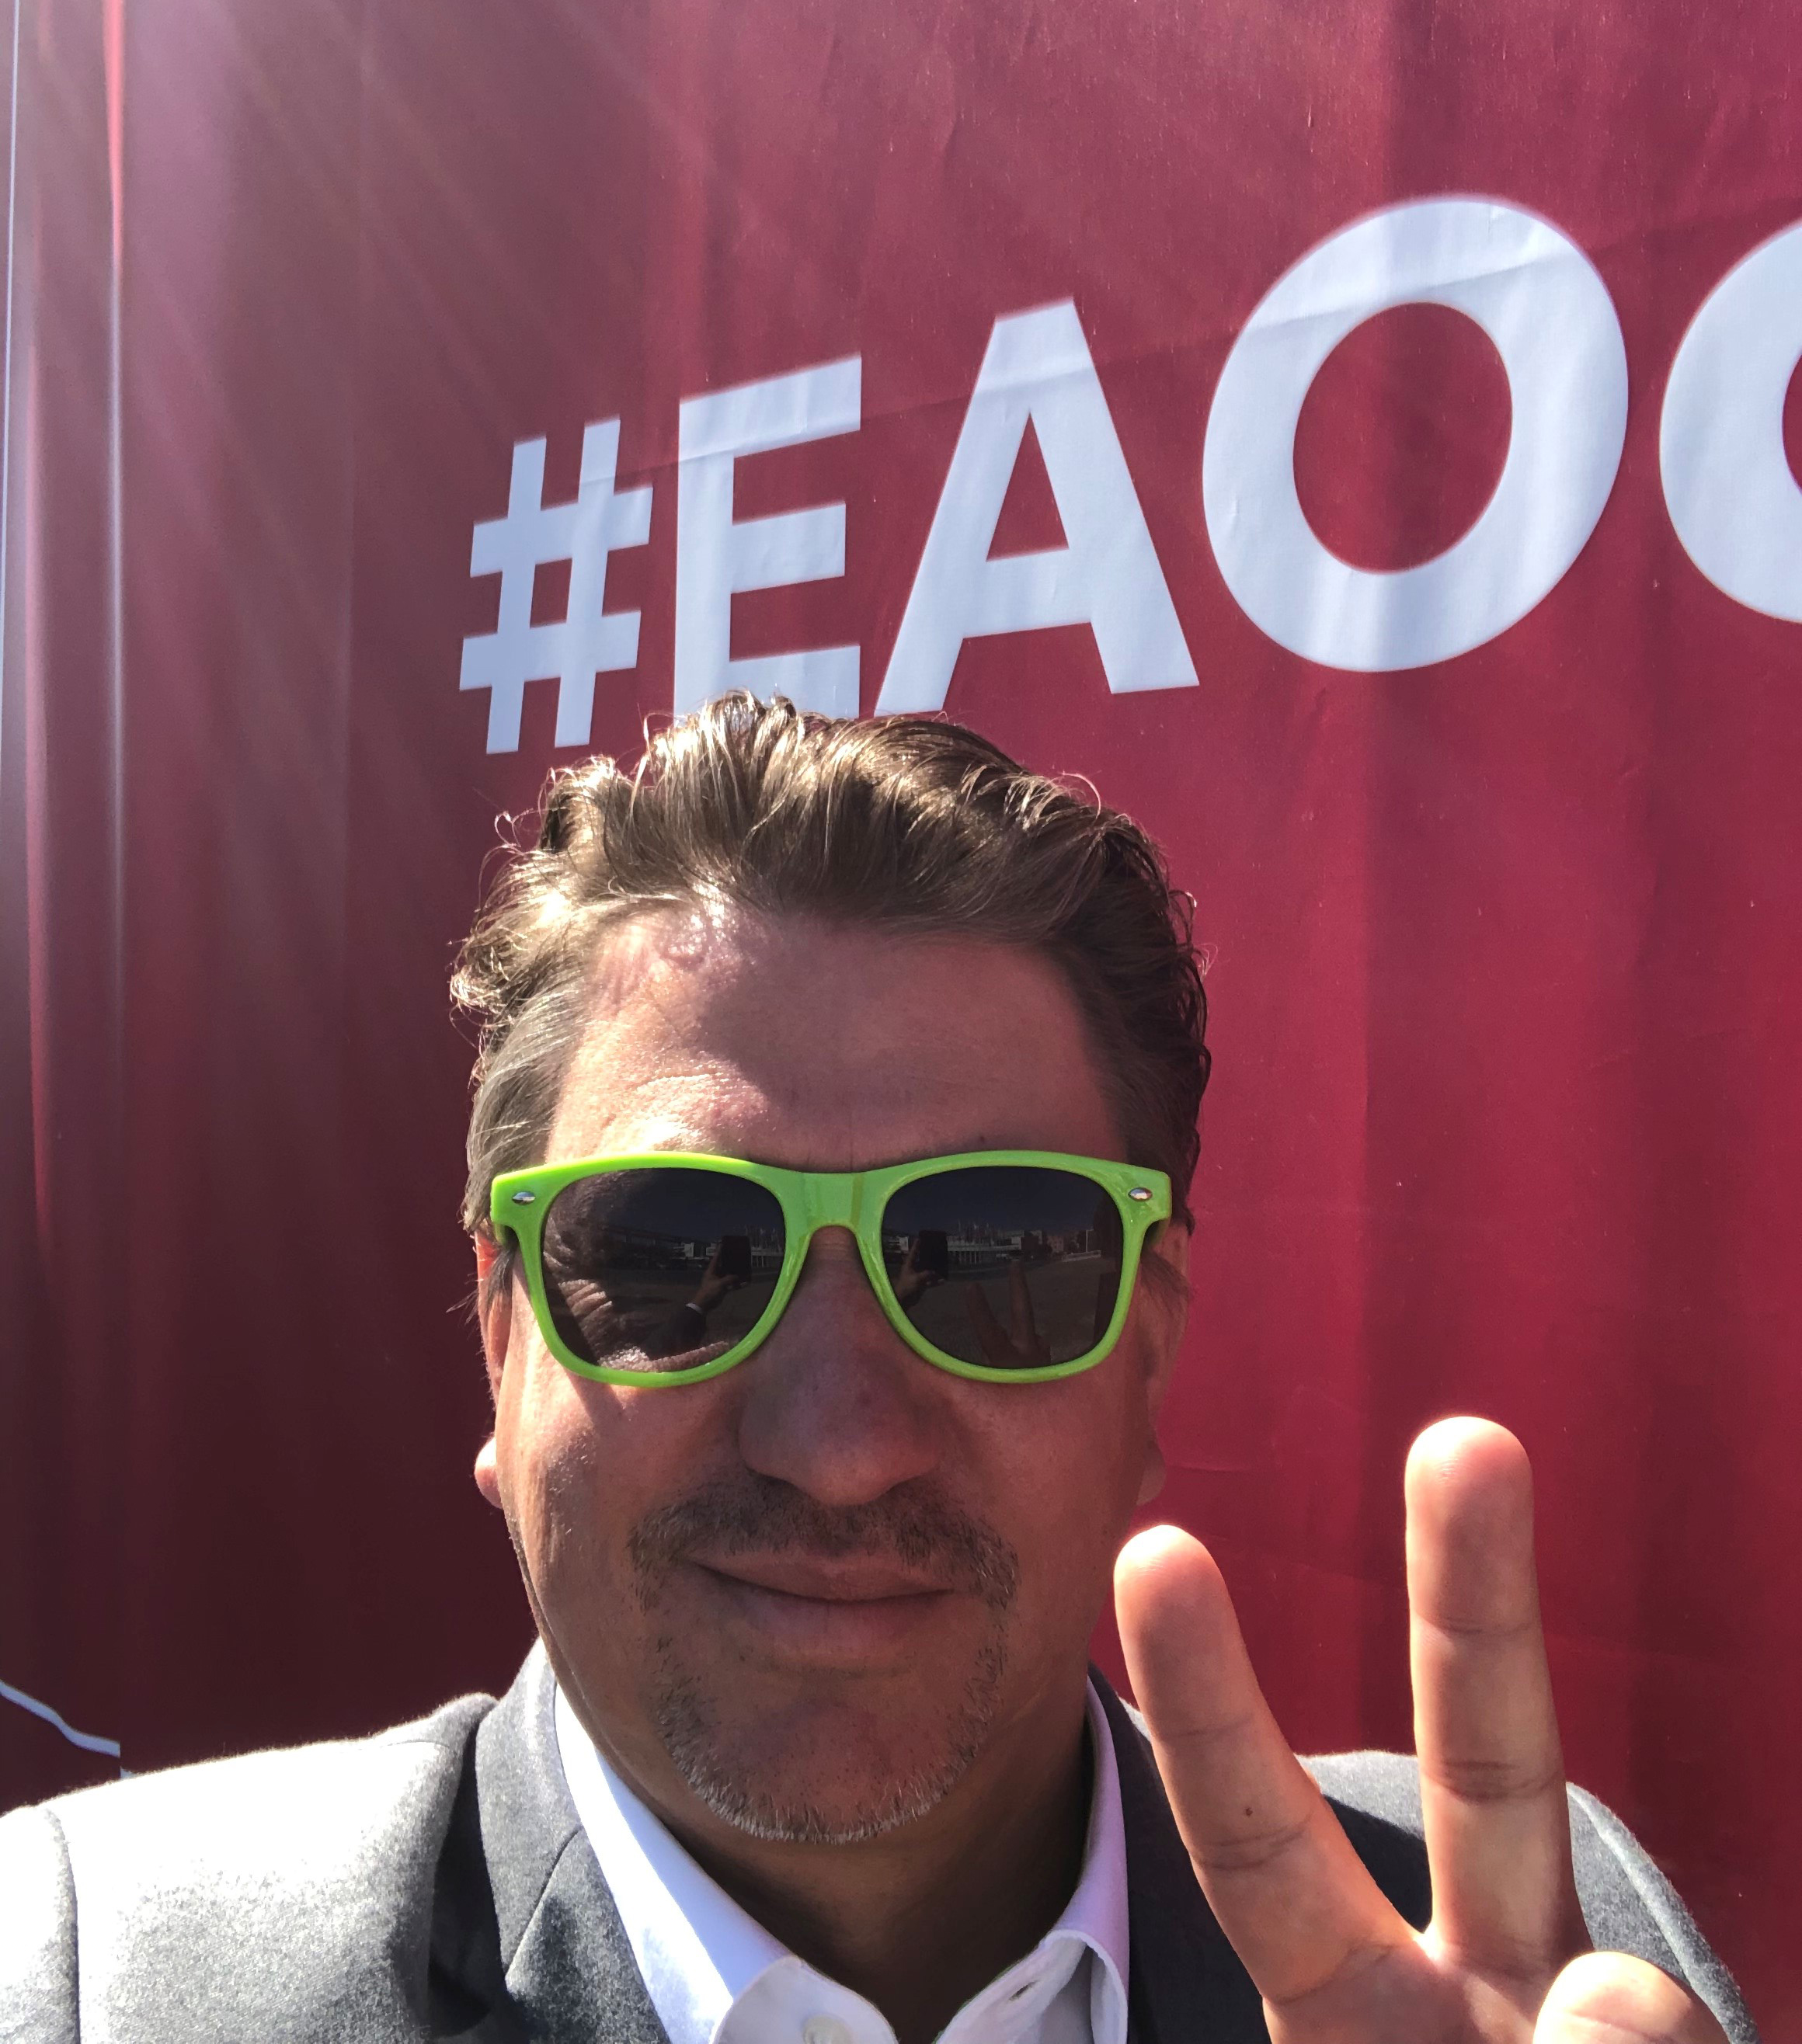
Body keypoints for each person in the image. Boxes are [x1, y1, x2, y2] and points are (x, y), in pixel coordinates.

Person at [0, 697, 1753, 2044]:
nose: (838, 1441)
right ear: (502, 1328)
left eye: (991, 1261)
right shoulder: (87, 1979)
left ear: (1146, 1350)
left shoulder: (1548, 1965)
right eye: (676, 1254)